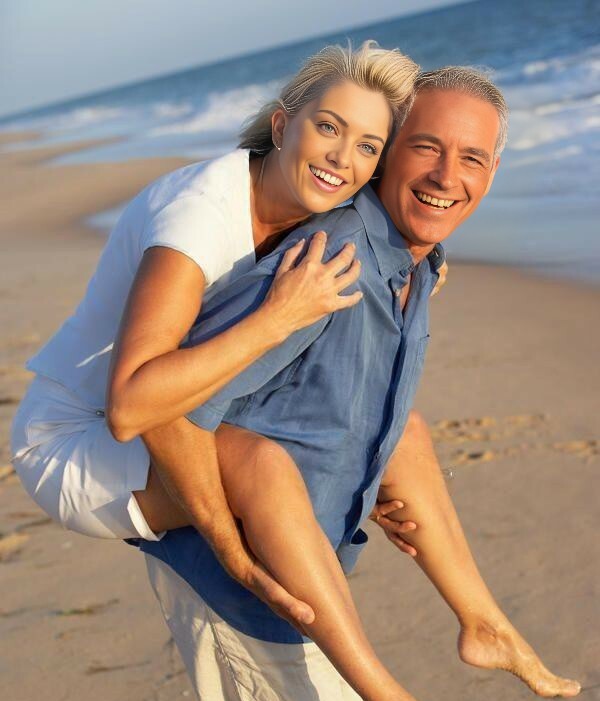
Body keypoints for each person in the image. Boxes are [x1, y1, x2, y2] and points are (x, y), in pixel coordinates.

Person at [138, 69, 580, 701]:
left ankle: (481, 625)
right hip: (243, 571)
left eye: (472, 159)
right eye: (427, 148)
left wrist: (372, 480)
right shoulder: (332, 258)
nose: (447, 176)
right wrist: (234, 546)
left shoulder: (415, 261)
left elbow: (340, 408)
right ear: (386, 156)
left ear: (493, 172)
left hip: (311, 560)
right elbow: (178, 409)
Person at [11, 41, 422, 625]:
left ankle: (481, 621)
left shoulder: (311, 206)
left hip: (158, 411)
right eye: (328, 127)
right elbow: (130, 408)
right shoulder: (200, 215)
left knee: (395, 429)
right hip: (77, 442)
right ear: (282, 126)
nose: (341, 157)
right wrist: (275, 318)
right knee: (272, 464)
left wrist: (423, 259)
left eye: (367, 147)